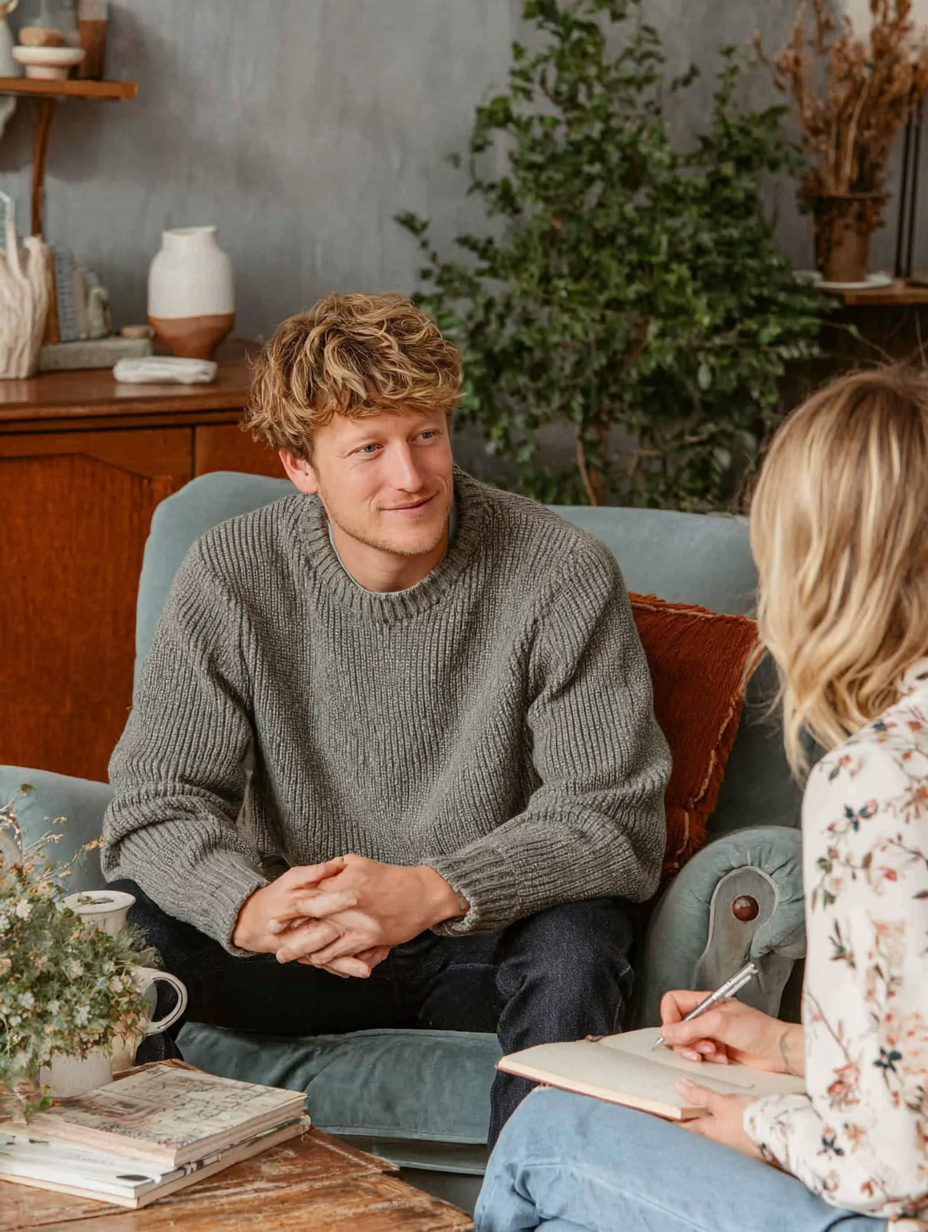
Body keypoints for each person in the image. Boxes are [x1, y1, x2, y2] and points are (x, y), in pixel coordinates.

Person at [101, 292, 670, 1145]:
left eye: (427, 435)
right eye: (368, 448)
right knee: (133, 926)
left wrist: (430, 892)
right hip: (297, 947)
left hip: (481, 942)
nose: (411, 477)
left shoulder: (561, 574)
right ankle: (142, 1194)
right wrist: (246, 906)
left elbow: (612, 818)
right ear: (301, 465)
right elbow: (153, 806)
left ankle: (537, 1202)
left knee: (577, 945)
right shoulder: (231, 573)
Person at [476, 367, 928, 1229]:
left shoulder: (881, 779)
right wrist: (790, 1049)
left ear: (818, 563)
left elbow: (889, 1169)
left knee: (543, 1133)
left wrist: (751, 1120)